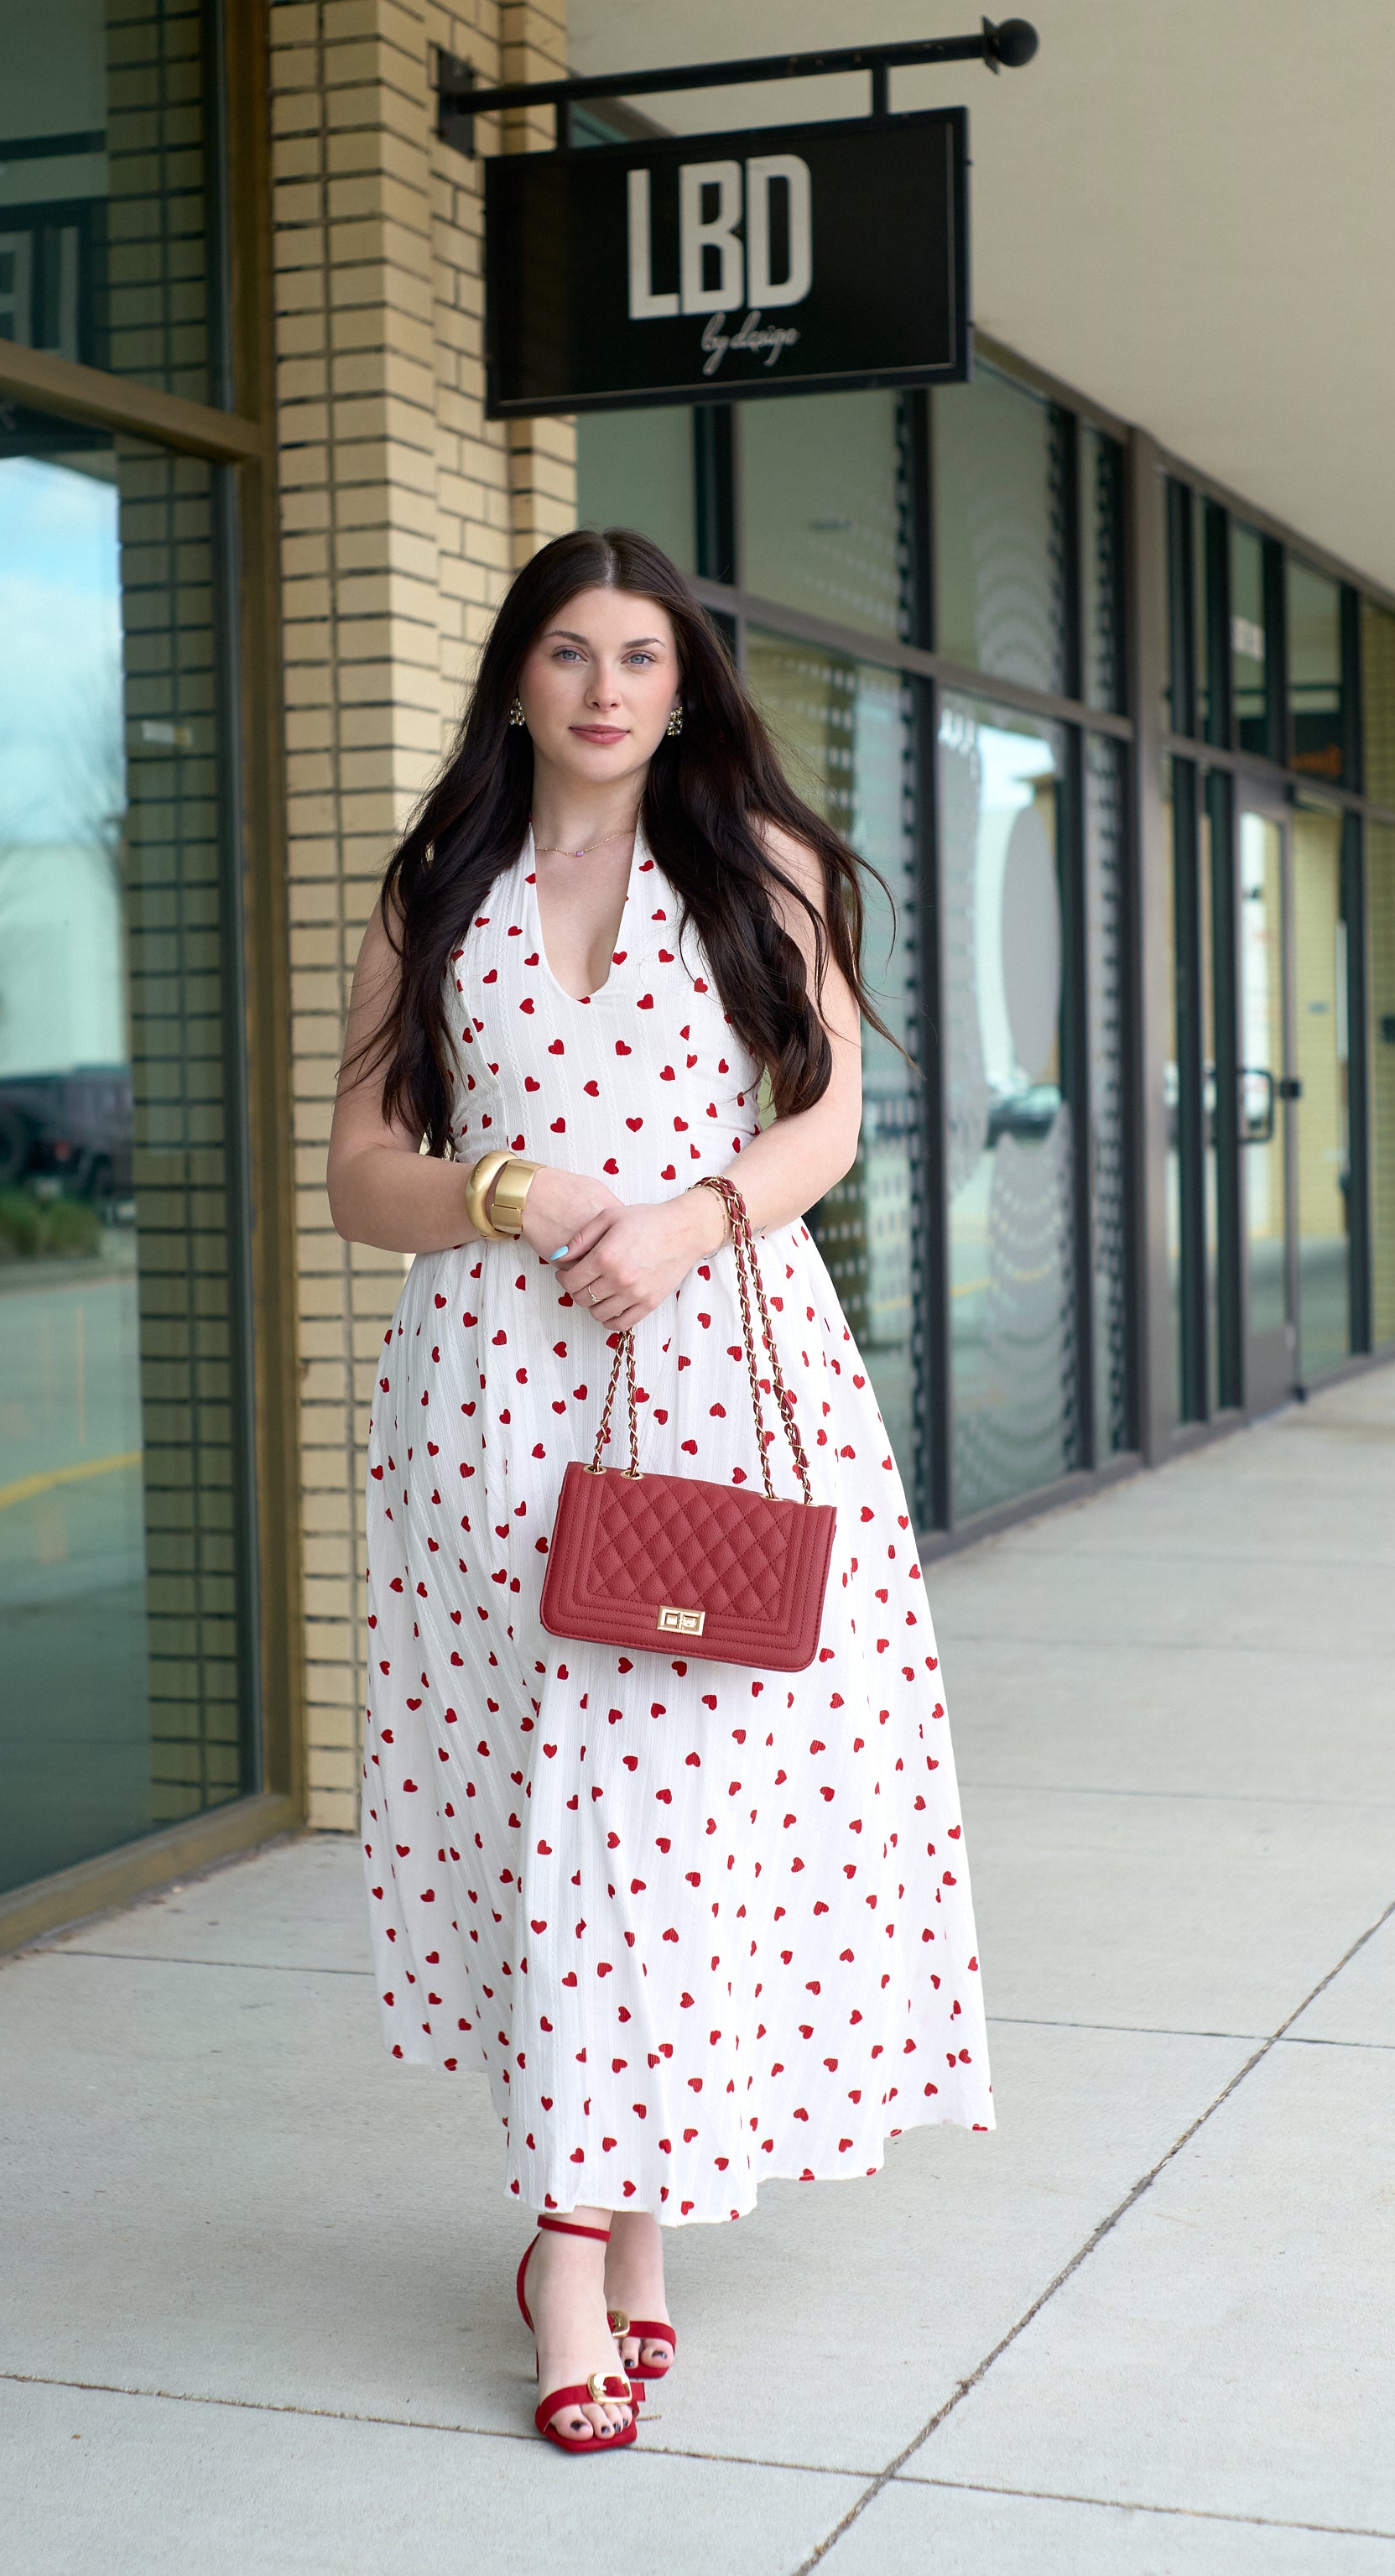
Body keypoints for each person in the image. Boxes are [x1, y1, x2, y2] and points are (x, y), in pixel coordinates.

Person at [326, 527, 992, 2457]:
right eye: (565, 651)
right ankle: (599, 2243)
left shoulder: (759, 862)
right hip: (492, 1406)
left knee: (659, 1819)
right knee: (557, 1821)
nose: (604, 686)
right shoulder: (435, 890)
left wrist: (693, 1218)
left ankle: (580, 2231)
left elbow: (831, 1117)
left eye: (639, 653)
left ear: (683, 683)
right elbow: (361, 1172)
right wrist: (507, 1191)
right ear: (516, 677)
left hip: (719, 1379)